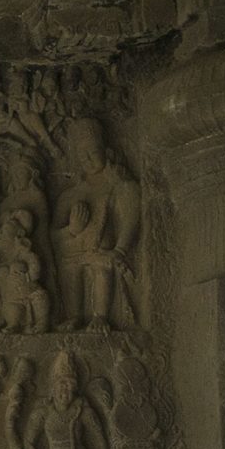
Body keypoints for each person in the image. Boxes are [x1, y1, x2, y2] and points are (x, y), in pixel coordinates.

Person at [52, 117, 140, 332]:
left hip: (103, 249)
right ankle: (74, 316)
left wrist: (120, 249)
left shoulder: (117, 184)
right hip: (74, 252)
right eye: (82, 156)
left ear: (106, 152)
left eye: (92, 152)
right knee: (70, 269)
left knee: (101, 267)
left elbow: (131, 212)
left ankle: (100, 316)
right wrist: (72, 230)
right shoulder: (70, 195)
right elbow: (53, 234)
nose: (88, 160)